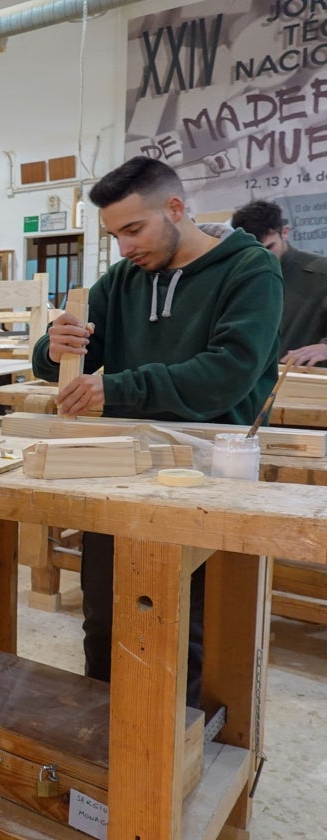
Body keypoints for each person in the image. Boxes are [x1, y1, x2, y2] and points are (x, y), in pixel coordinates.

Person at [32, 156, 282, 708]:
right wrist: (55, 348)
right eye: (114, 234)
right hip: (120, 469)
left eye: (133, 229)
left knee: (187, 631)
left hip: (208, 475)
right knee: (104, 617)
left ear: (175, 208)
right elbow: (59, 363)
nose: (123, 247)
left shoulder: (249, 271)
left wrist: (115, 388)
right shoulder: (124, 279)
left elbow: (226, 376)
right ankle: (102, 753)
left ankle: (176, 764)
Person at [230, 199, 327, 367]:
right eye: (252, 251)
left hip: (306, 384)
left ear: (284, 232)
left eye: (269, 248)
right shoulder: (239, 278)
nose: (262, 257)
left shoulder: (322, 272)